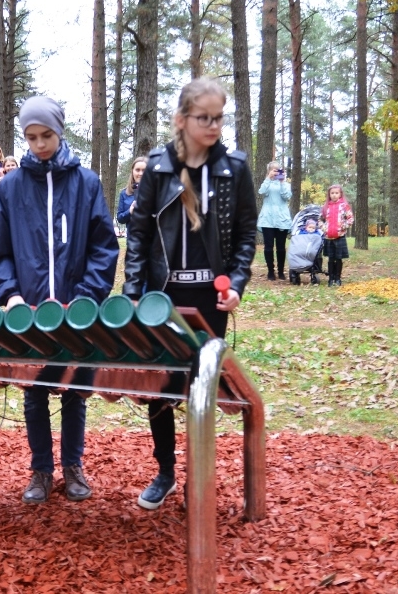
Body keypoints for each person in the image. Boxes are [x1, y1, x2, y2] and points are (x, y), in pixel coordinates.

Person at [123, 78, 257, 510]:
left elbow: (246, 235)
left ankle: (200, 474)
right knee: (161, 386)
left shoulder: (233, 170)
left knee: (203, 387)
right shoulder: (158, 168)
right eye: (205, 118)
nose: (214, 125)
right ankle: (164, 472)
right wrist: (132, 294)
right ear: (182, 120)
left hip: (210, 299)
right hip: (163, 295)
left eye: (219, 117)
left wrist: (236, 284)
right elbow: (139, 234)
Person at [0, 96, 119, 505]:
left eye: (46, 135)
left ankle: (73, 465)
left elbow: (103, 248)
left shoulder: (87, 183)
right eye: (31, 137)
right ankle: (41, 469)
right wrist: (9, 295)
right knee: (35, 388)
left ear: (59, 132)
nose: (40, 144)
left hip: (76, 308)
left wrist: (84, 299)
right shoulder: (9, 187)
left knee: (76, 387)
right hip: (28, 309)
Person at [257, 161, 292, 281]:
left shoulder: (286, 184)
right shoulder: (267, 183)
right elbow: (261, 191)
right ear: (269, 171)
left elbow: (286, 196)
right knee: (268, 246)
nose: (276, 172)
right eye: (273, 170)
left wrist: (282, 181)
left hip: (282, 218)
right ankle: (270, 271)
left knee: (281, 247)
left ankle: (281, 271)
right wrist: (268, 178)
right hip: (267, 218)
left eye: (278, 170)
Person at [320, 184, 354, 287]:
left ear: (340, 194)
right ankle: (331, 279)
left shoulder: (344, 206)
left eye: (336, 193)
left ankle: (338, 278)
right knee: (331, 258)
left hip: (340, 236)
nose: (334, 195)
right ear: (329, 194)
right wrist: (324, 227)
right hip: (328, 236)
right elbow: (320, 219)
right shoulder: (326, 207)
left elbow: (350, 219)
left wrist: (343, 226)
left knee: (338, 258)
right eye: (332, 193)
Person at [116, 156, 147, 230]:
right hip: (132, 238)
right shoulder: (124, 193)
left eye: (144, 170)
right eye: (137, 170)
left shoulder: (155, 192)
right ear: (133, 171)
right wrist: (130, 211)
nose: (140, 173)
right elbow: (120, 218)